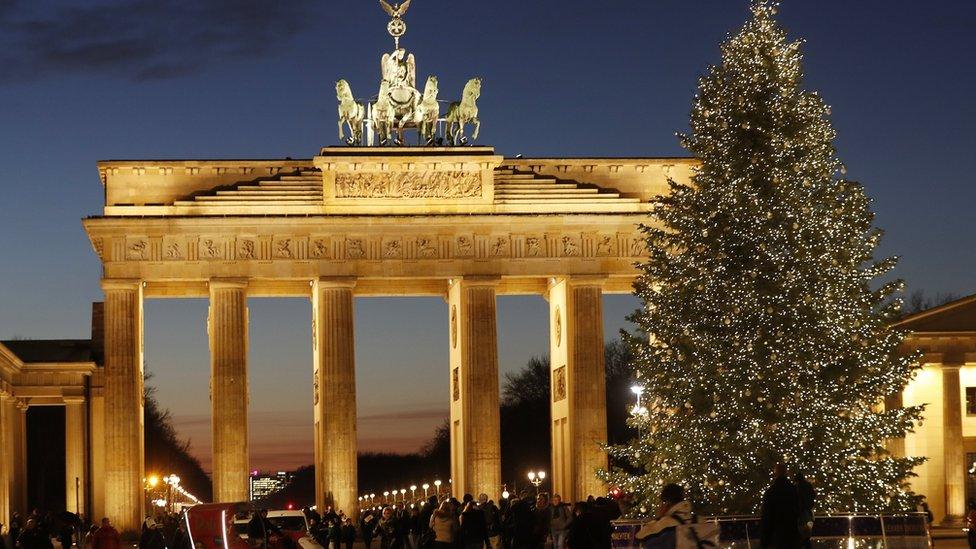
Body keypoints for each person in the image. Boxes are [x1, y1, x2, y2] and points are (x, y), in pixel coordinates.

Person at [634, 484, 690, 549]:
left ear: (666, 503)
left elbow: (640, 536)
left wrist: (658, 518)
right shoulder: (698, 519)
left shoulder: (666, 523)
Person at [760, 464, 800, 549]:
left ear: (776, 473)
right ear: (786, 472)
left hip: (777, 531)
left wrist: (764, 539)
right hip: (791, 530)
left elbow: (766, 515)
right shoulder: (793, 490)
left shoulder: (771, 491)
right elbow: (799, 508)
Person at [795, 473, 816, 549]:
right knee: (807, 536)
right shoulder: (808, 486)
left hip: (801, 515)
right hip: (808, 514)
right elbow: (813, 496)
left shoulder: (797, 487)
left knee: (801, 536)